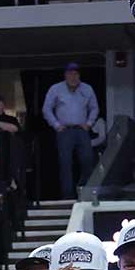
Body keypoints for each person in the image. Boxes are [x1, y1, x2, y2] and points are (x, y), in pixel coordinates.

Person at [43, 62, 101, 198]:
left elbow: (94, 107)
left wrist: (89, 123)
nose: (73, 77)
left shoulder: (87, 89)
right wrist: (56, 125)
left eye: (76, 74)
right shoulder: (56, 89)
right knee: (65, 163)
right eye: (70, 74)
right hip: (64, 131)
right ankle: (67, 195)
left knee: (88, 160)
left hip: (82, 130)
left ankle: (85, 192)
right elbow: (46, 108)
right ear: (66, 75)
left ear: (79, 75)